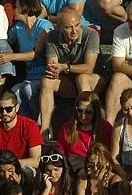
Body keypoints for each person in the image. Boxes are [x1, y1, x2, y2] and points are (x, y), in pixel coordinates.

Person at [39, 8, 101, 138]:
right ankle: (44, 131)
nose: (74, 30)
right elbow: (52, 67)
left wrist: (65, 67)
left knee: (82, 78)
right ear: (60, 27)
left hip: (91, 81)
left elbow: (89, 67)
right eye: (69, 27)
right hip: (67, 82)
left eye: (77, 25)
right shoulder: (52, 37)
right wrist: (56, 69)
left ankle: (90, 127)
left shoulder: (91, 34)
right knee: (46, 81)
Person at [1, 0, 53, 122]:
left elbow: (36, 53)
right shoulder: (18, 28)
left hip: (45, 75)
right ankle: (27, 125)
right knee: (15, 91)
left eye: (16, 6)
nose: (13, 9)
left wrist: (10, 57)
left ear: (24, 8)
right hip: (30, 75)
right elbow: (6, 39)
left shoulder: (43, 26)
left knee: (30, 90)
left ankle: (40, 125)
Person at [56, 91, 114, 175]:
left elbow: (110, 154)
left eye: (88, 112)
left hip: (98, 168)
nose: (83, 115)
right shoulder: (67, 128)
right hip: (74, 169)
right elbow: (60, 154)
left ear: (96, 111)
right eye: (79, 110)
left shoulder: (105, 127)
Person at [0, 90, 43, 168]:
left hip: (22, 168)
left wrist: (8, 163)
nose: (4, 113)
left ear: (17, 108)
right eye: (0, 110)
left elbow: (36, 161)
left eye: (9, 109)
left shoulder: (30, 125)